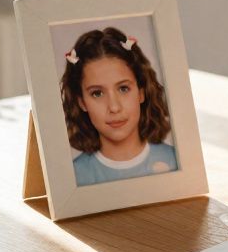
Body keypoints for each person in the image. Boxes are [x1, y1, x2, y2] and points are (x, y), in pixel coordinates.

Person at [61, 26, 177, 186]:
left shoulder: (177, 162)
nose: (114, 107)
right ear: (82, 102)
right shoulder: (73, 177)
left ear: (141, 92)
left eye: (123, 89)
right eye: (97, 93)